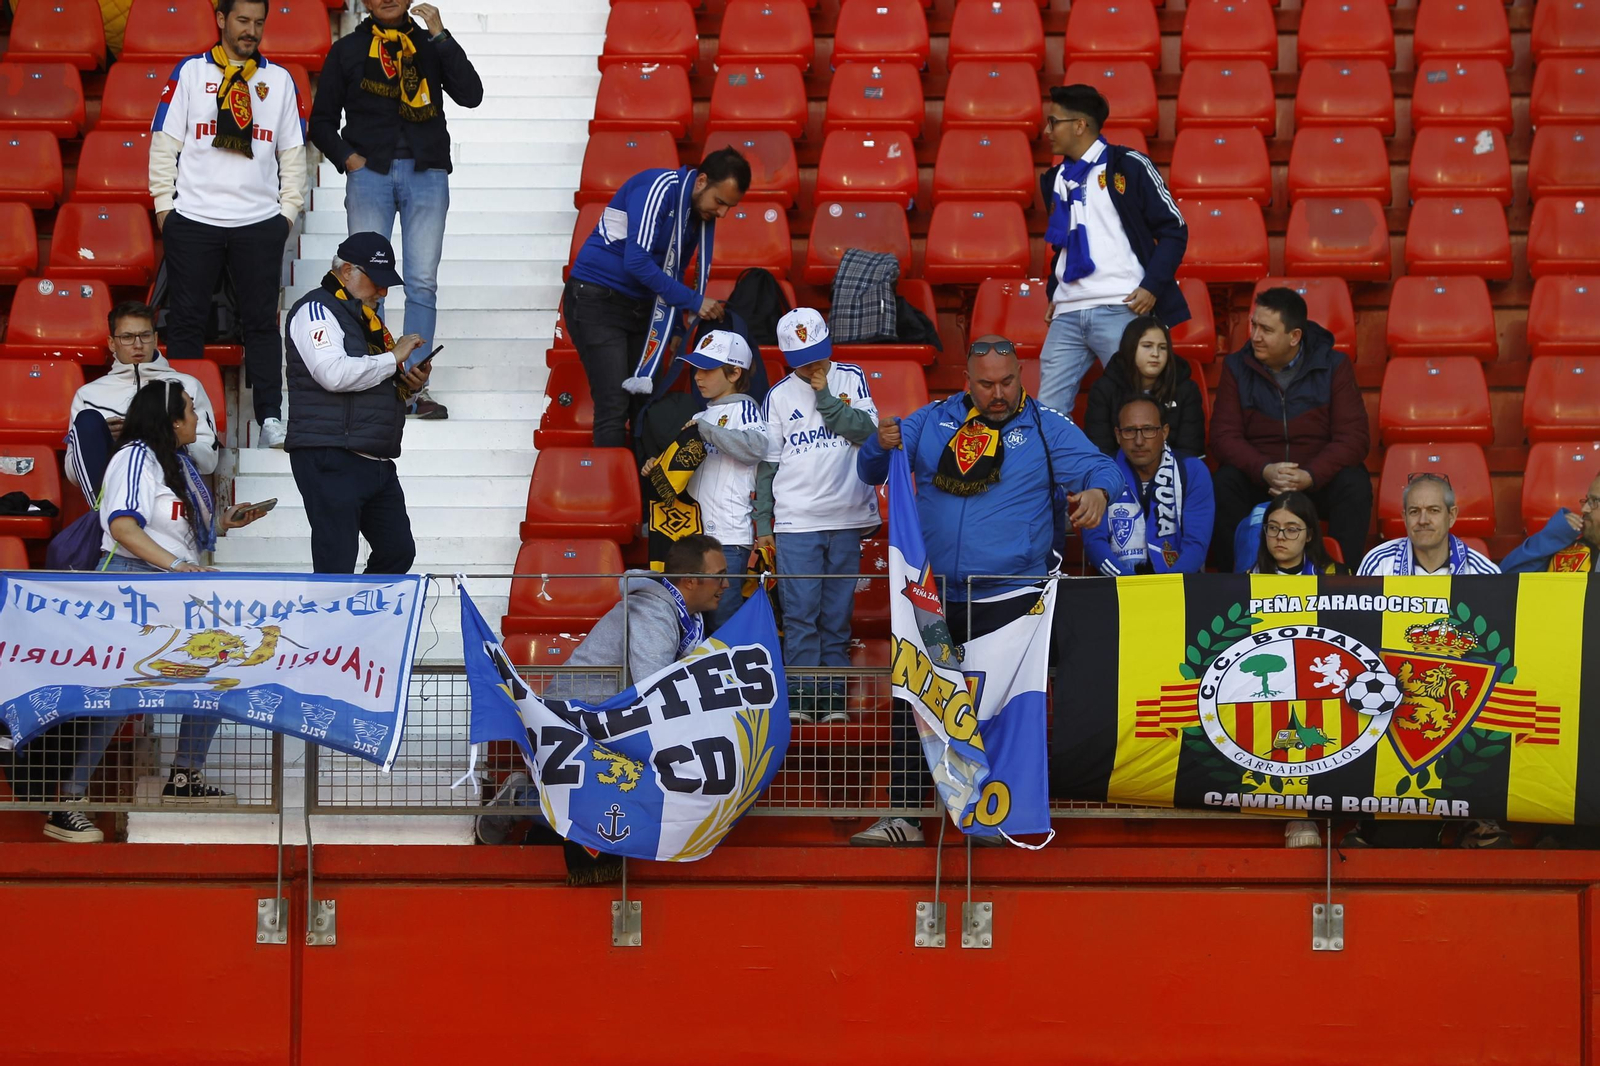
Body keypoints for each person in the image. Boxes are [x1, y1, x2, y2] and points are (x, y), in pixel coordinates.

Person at [855, 335, 1123, 845]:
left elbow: (1102, 467)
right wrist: (876, 443)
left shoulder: (1044, 426)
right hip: (930, 598)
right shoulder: (931, 421)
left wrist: (1097, 491)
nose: (998, 394)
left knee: (999, 706)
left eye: (1007, 382)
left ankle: (1002, 812)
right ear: (966, 381)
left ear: (1021, 375)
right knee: (916, 696)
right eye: (986, 384)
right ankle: (905, 818)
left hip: (1010, 601)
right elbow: (872, 470)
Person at [44, 380, 272, 842]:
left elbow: (176, 530)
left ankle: (185, 777)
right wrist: (178, 567)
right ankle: (65, 804)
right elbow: (123, 526)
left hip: (172, 586)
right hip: (132, 583)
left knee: (217, 667)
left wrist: (225, 523)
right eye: (190, 410)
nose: (198, 419)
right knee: (119, 695)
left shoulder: (178, 463)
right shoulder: (132, 458)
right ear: (170, 420)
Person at [475, 535, 728, 844]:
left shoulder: (688, 619)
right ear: (690, 581)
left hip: (608, 717)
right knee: (617, 806)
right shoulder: (654, 610)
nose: (727, 584)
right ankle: (522, 799)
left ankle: (528, 801)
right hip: (581, 720)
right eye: (719, 576)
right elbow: (656, 685)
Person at [310, 0, 485, 422]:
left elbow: (471, 95)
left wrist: (441, 35)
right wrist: (350, 160)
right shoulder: (349, 48)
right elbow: (320, 123)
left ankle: (414, 384)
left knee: (422, 282)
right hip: (370, 174)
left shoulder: (429, 43)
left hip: (427, 174)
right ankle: (377, 381)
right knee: (367, 283)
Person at [148, 0, 306, 450]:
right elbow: (164, 142)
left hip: (258, 221)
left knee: (260, 323)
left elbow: (293, 155)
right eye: (242, 21)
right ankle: (178, 419)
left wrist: (286, 215)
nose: (250, 31)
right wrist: (165, 207)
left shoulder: (278, 80)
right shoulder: (192, 73)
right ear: (220, 20)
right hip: (194, 218)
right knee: (186, 322)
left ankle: (271, 418)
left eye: (258, 23)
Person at [567, 147, 752, 447]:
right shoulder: (659, 188)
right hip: (598, 300)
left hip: (641, 308)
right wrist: (693, 302)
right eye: (720, 202)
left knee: (645, 404)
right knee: (614, 404)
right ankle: (615, 492)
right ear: (702, 181)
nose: (722, 213)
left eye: (729, 208)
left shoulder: (696, 214)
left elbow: (673, 269)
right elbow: (637, 261)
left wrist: (677, 328)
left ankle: (644, 490)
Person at [755, 309, 879, 725]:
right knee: (801, 614)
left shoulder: (852, 376)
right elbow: (769, 466)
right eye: (801, 357)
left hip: (846, 517)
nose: (811, 364)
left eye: (816, 353)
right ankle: (803, 701)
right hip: (795, 523)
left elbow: (867, 432)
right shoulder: (777, 395)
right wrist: (763, 525)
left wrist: (826, 397)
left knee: (836, 617)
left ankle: (833, 703)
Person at [283, 232, 432, 574]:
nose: (383, 292)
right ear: (347, 271)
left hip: (373, 456)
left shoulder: (363, 318)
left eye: (387, 285)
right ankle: (331, 627)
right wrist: (392, 359)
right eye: (377, 282)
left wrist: (407, 385)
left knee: (397, 552)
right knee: (336, 562)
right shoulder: (316, 309)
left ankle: (358, 622)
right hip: (331, 452)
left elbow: (366, 379)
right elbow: (333, 375)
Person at [1038, 83, 1189, 418]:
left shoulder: (1129, 165)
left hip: (1122, 307)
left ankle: (1144, 474)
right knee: (1048, 413)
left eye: (1053, 122)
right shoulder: (1054, 178)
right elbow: (1062, 243)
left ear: (1079, 126)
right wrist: (1055, 289)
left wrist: (1152, 285)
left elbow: (1174, 229)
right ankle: (1054, 473)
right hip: (1067, 311)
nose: (1046, 130)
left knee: (1137, 409)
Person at [1210, 286, 1372, 570]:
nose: (1255, 336)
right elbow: (1223, 437)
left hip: (1315, 482)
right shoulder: (1236, 366)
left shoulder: (1334, 366)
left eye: (1266, 330)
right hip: (1261, 481)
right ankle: (1232, 585)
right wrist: (1265, 470)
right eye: (1254, 325)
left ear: (1294, 336)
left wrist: (1309, 475)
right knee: (1225, 482)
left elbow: (1354, 438)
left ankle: (1345, 581)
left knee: (1354, 483)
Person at [643, 330, 767, 630]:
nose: (698, 377)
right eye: (696, 368)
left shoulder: (745, 408)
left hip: (729, 538)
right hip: (693, 539)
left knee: (726, 626)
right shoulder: (701, 414)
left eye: (708, 369)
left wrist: (705, 430)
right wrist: (657, 467)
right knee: (697, 628)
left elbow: (756, 447)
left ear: (735, 372)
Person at [65, 301, 219, 504]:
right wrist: (99, 438)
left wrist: (159, 433)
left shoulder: (187, 387)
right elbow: (73, 473)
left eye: (145, 336)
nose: (138, 345)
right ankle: (109, 517)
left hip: (169, 495)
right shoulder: (88, 394)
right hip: (112, 494)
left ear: (155, 339)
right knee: (89, 422)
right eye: (127, 337)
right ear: (112, 343)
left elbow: (209, 461)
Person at [1082, 397, 1213, 576]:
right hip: (1116, 584)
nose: (1139, 441)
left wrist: (1169, 587)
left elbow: (1196, 544)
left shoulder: (1192, 471)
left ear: (1165, 432)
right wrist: (1128, 584)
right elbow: (1094, 542)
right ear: (1118, 435)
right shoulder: (1099, 474)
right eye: (1129, 431)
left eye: (1148, 429)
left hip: (1179, 584)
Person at [1083, 316, 1205, 457]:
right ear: (1130, 348)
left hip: (1174, 474)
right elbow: (1100, 452)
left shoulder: (1186, 389)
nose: (1156, 354)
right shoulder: (1104, 390)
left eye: (1163, 348)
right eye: (1147, 346)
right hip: (1119, 474)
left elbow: (1190, 452)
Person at [1357, 474, 1500, 577]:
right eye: (1414, 511)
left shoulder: (1483, 574)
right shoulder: (1378, 564)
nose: (1423, 520)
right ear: (1404, 518)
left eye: (1433, 511)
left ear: (1451, 516)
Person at [1502, 473, 1600, 573]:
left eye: (1594, 501)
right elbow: (1507, 580)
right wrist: (1552, 537)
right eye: (1587, 500)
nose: (1584, 509)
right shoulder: (1569, 550)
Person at [1248, 492, 1346, 576]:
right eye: (1273, 528)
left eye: (1291, 530)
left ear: (1309, 535)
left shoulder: (1335, 577)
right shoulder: (1247, 581)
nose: (1280, 536)